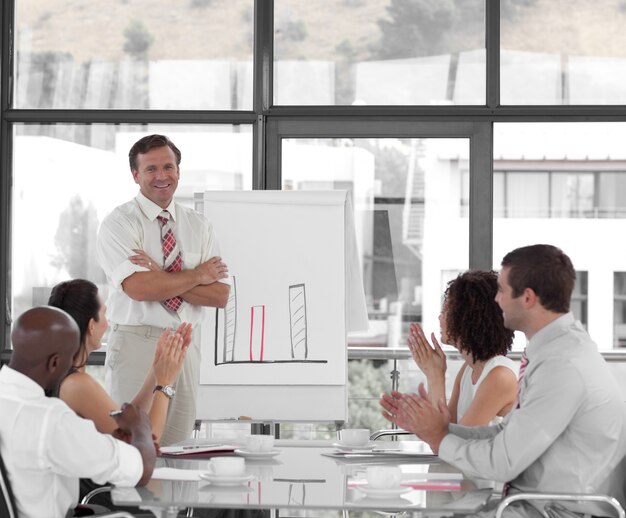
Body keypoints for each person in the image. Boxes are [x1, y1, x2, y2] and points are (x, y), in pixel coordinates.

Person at [381, 244, 626, 516]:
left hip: (552, 511)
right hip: (531, 505)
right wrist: (444, 430)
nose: (496, 301)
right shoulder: (554, 351)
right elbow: (506, 434)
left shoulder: (563, 366)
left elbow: (504, 462)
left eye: (501, 290)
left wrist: (439, 437)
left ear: (528, 298)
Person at [96, 134, 230, 445]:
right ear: (136, 175)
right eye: (151, 169)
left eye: (168, 167)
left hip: (184, 345)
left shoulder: (199, 225)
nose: (161, 176)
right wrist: (196, 275)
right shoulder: (120, 223)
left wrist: (161, 273)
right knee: (132, 441)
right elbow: (140, 288)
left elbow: (219, 296)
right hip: (136, 342)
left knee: (178, 447)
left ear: (179, 171)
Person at [0, 306, 156, 518]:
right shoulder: (50, 420)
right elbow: (141, 471)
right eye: (70, 358)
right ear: (55, 362)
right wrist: (141, 427)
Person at [48, 278, 191, 443]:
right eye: (104, 314)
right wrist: (165, 385)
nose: (107, 323)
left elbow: (126, 422)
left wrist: (156, 368)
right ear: (91, 325)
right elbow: (146, 445)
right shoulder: (78, 385)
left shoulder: (69, 379)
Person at [409, 270, 517, 426]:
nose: (440, 318)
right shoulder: (468, 369)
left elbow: (452, 443)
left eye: (445, 311)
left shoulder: (500, 376)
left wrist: (436, 377)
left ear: (467, 319)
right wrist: (435, 375)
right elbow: (445, 431)